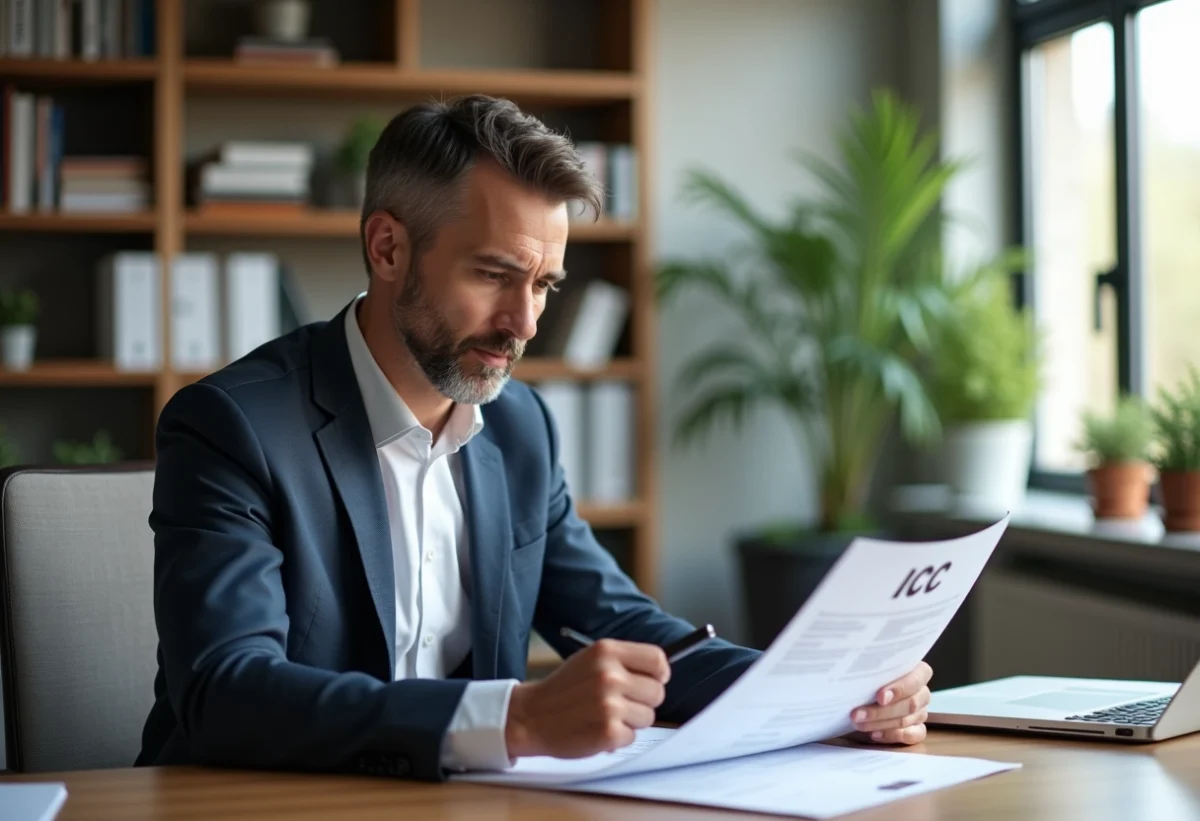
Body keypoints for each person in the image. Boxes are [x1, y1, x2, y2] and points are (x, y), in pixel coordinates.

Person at [136, 94, 933, 780]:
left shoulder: (518, 427)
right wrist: (512, 719)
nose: (524, 324)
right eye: (493, 274)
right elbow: (227, 691)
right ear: (387, 247)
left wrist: (828, 693)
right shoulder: (234, 426)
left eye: (544, 284)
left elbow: (630, 627)